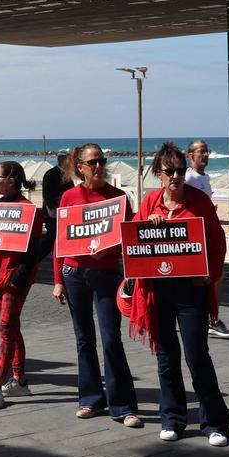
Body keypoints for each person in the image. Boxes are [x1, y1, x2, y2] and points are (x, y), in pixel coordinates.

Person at [129, 142, 229, 445]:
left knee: (197, 356)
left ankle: (214, 422)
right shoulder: (149, 202)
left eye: (180, 171)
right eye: (169, 171)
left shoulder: (199, 201)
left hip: (192, 292)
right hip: (157, 292)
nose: (175, 176)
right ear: (158, 174)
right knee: (166, 357)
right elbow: (134, 241)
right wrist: (148, 224)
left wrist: (208, 277)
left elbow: (217, 243)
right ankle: (172, 418)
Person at [53, 143, 143, 428]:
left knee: (111, 339)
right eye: (92, 162)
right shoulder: (69, 197)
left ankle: (123, 405)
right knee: (84, 339)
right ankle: (90, 398)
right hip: (74, 273)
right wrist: (57, 280)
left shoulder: (118, 197)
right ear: (79, 167)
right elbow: (60, 241)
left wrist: (111, 252)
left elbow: (128, 240)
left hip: (106, 273)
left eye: (102, 161)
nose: (99, 166)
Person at [0, 161, 44, 410]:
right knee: (11, 327)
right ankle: (19, 380)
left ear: (12, 180)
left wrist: (19, 277)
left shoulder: (29, 210)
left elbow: (35, 248)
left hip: (15, 277)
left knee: (5, 329)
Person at [186, 140, 229, 340]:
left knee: (214, 277)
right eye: (201, 152)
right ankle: (210, 320)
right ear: (191, 155)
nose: (205, 155)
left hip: (208, 233)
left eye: (207, 151)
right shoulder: (188, 177)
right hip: (196, 236)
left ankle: (208, 318)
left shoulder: (204, 177)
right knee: (212, 278)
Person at [41, 151, 73, 254]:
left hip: (64, 211)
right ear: (61, 160)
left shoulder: (67, 174)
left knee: (58, 237)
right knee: (51, 237)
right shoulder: (51, 173)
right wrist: (52, 208)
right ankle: (35, 257)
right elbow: (46, 194)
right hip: (53, 212)